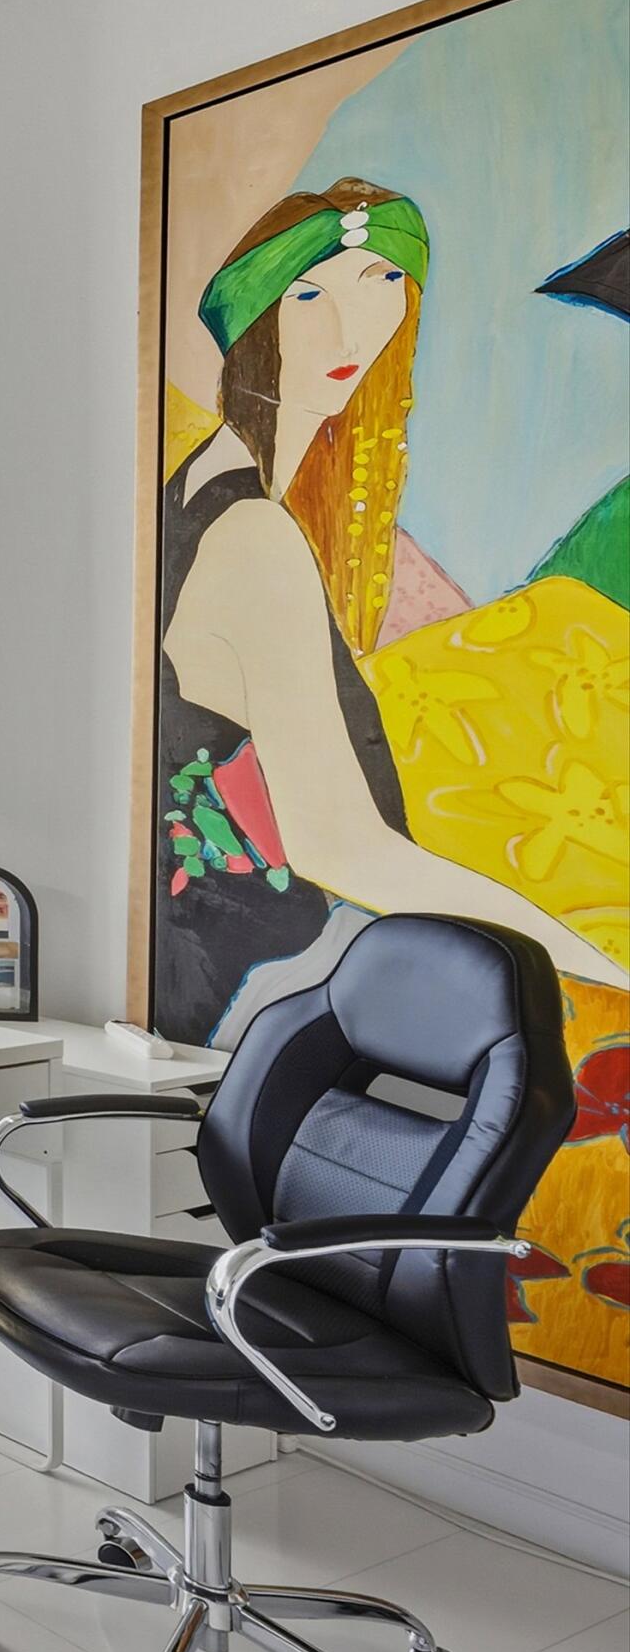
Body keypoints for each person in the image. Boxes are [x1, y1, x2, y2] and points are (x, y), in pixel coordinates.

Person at [154, 178, 625, 1039]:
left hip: (220, 965)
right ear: (255, 318)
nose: (352, 330)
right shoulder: (255, 536)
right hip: (261, 989)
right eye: (310, 294)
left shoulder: (189, 492)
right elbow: (343, 847)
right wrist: (593, 960)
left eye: (381, 285)